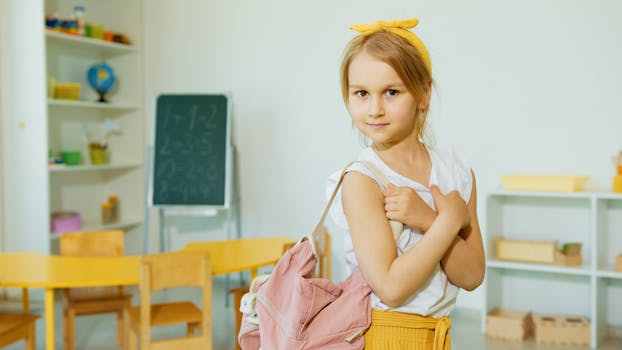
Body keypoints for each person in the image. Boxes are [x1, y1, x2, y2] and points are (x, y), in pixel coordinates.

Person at [327, 18, 485, 349]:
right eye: (361, 93)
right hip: (379, 336)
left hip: (438, 337)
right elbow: (391, 288)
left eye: (392, 92)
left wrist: (428, 219)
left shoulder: (456, 173)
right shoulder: (363, 180)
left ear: (423, 93)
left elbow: (472, 276)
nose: (375, 109)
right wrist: (447, 222)